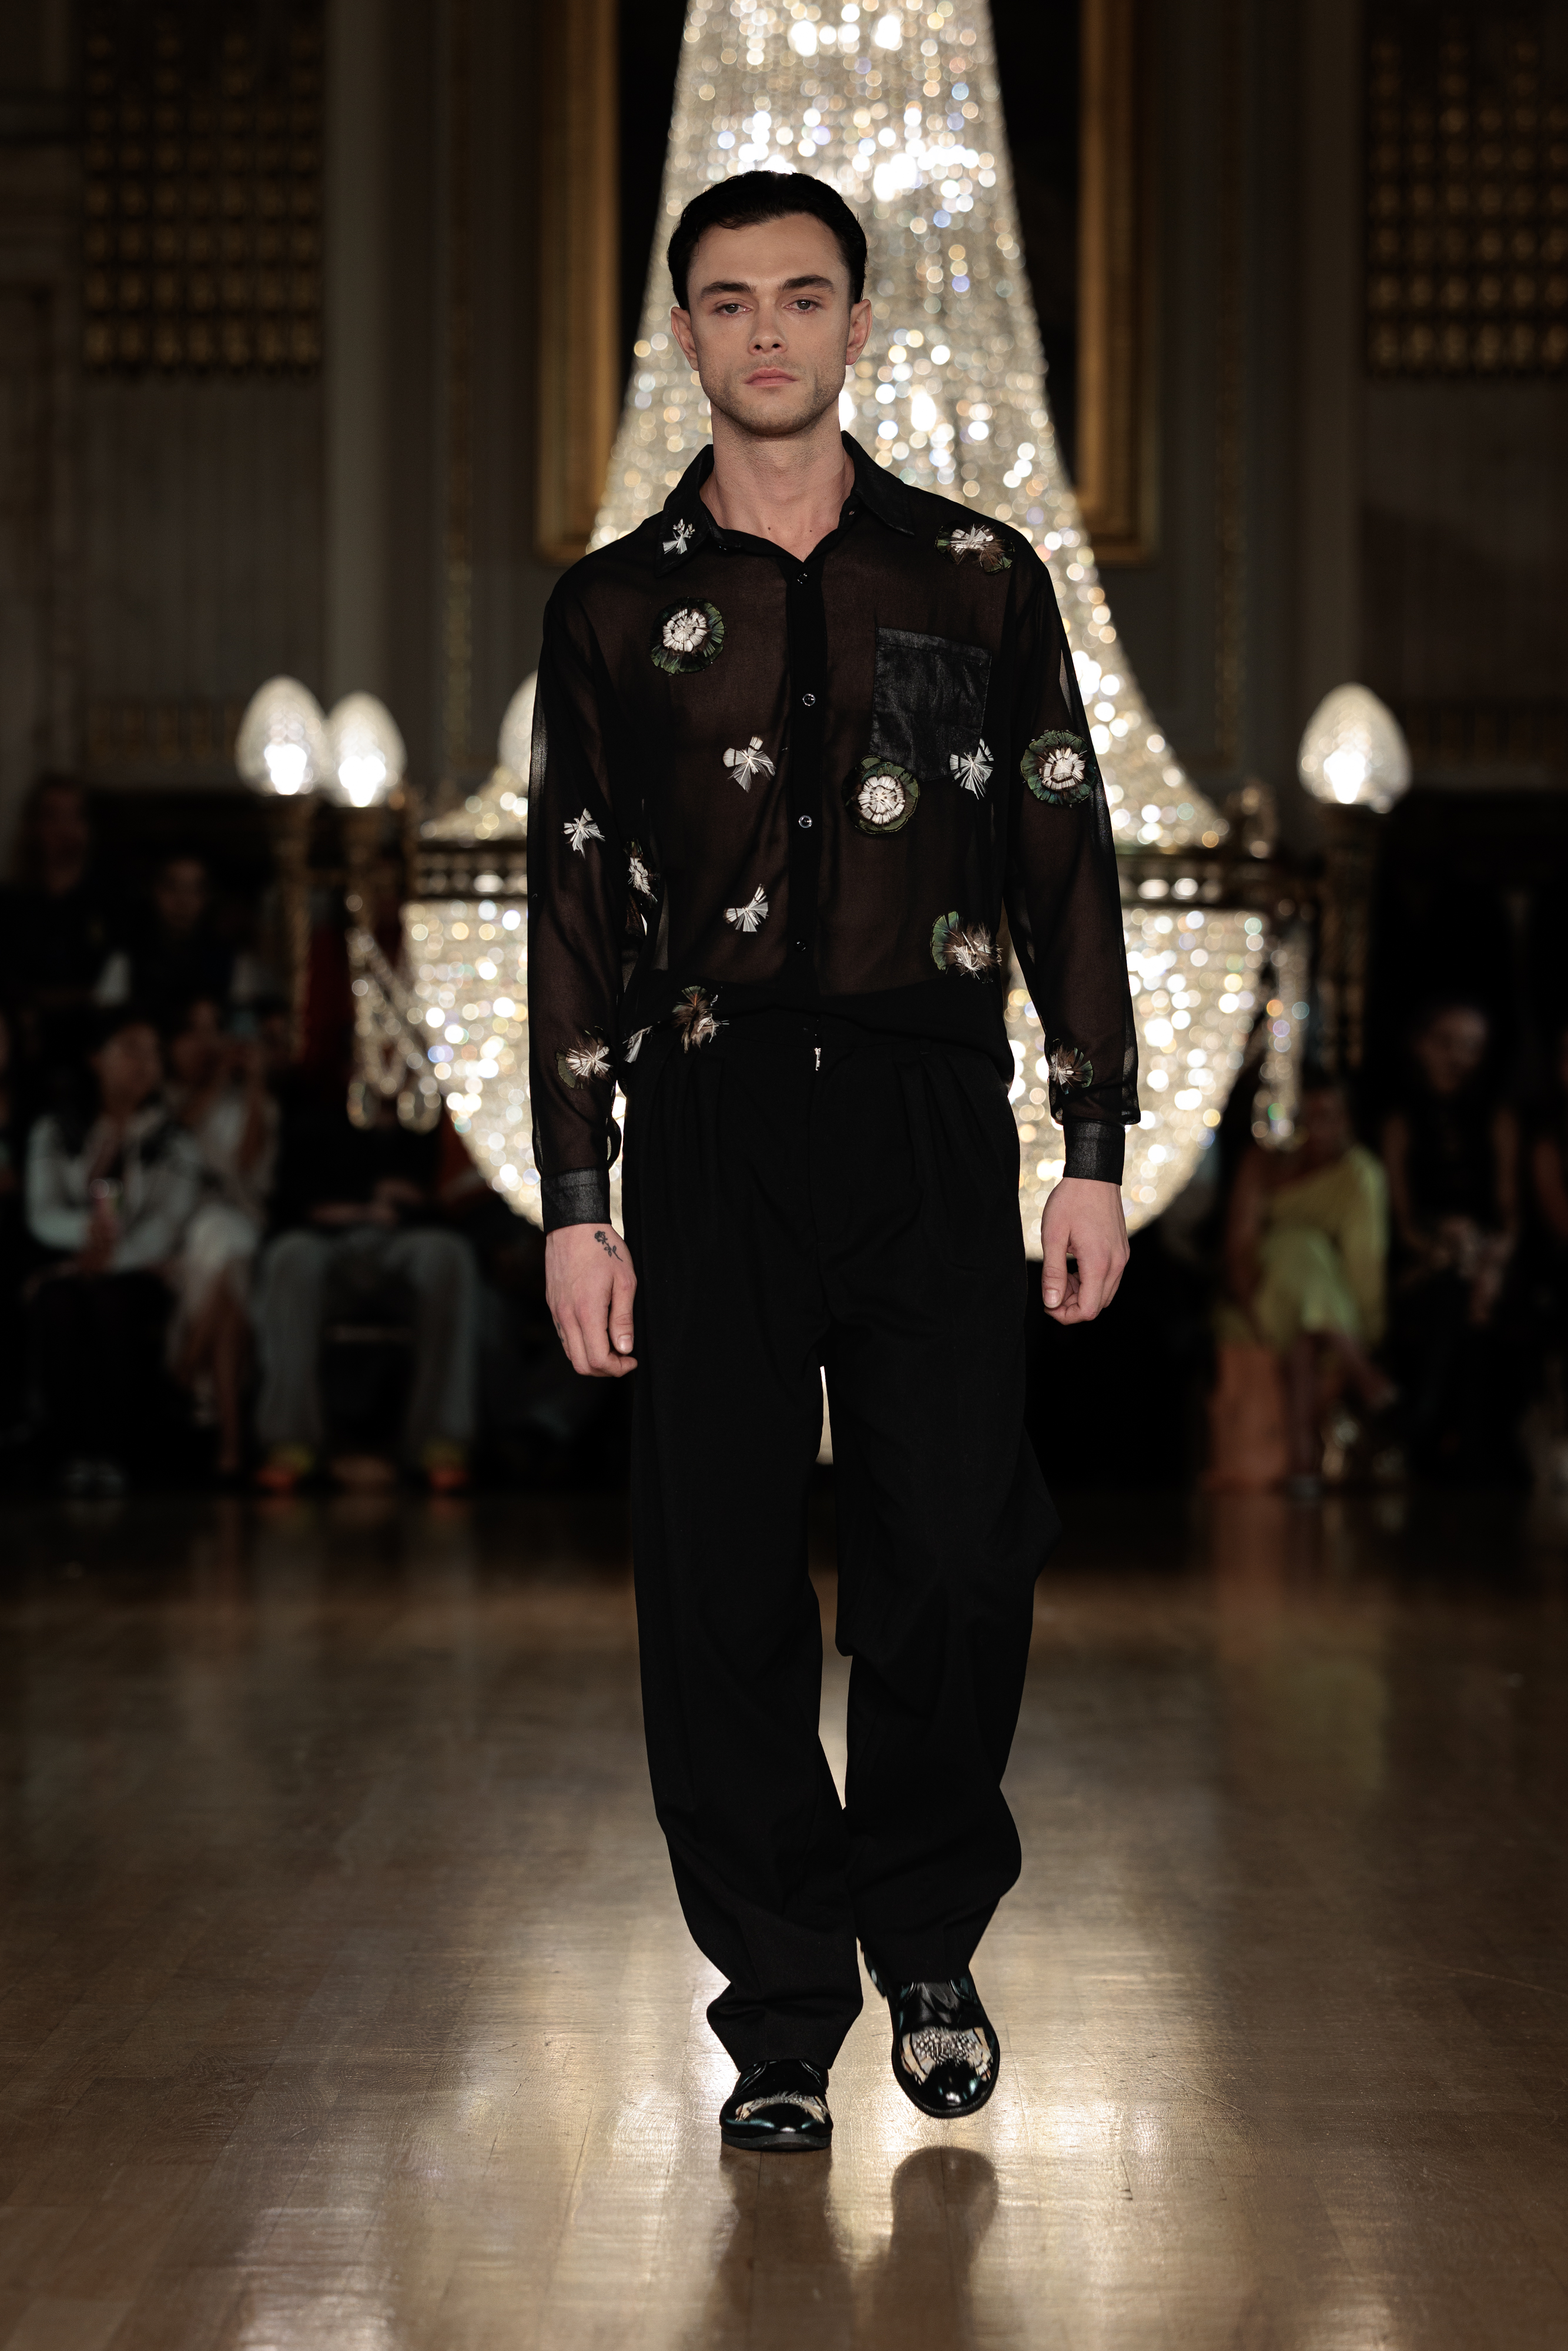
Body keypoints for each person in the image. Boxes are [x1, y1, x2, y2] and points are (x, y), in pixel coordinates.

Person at [528, 175, 1133, 2155]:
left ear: (859, 325)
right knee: (715, 1577)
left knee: (954, 1546)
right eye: (729, 301)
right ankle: (780, 2007)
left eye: (803, 296)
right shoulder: (612, 610)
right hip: (705, 1122)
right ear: (684, 336)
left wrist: (1092, 1144)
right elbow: (572, 910)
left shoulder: (975, 578)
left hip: (925, 1111)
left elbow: (1060, 858)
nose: (768, 331)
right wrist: (575, 1197)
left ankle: (926, 1934)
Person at [252, 1089, 478, 1494]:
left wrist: (413, 1200)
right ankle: (290, 1440)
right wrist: (362, 1206)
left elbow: (447, 1202)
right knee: (290, 1257)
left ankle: (440, 1439)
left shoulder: (432, 1120)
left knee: (449, 1255)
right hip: (328, 1247)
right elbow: (292, 1201)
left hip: (405, 1248)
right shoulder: (314, 1116)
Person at [24, 1007, 202, 1496]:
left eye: (153, 1053)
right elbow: (42, 1210)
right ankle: (68, 1450)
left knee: (113, 1302)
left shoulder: (172, 1139)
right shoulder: (58, 1129)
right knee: (58, 1303)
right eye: (130, 1050)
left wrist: (110, 1260)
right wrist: (86, 1235)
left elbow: (169, 1221)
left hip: (139, 1268)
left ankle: (115, 1451)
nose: (144, 1064)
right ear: (96, 1058)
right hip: (70, 1262)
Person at [1219, 1076, 1393, 1491]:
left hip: (1328, 1304)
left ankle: (1302, 1465)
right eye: (1310, 1116)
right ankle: (1362, 1371)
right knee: (1300, 1247)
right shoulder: (1262, 1164)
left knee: (1303, 1329)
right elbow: (1239, 1252)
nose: (1320, 1126)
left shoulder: (1358, 1173)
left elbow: (1365, 1264)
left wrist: (1362, 1321)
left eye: (1331, 1115)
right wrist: (1253, 1310)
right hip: (1264, 1294)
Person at [1381, 1000, 1520, 1479]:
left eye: (1471, 1047)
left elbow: (1509, 1210)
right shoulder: (1401, 1123)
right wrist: (1443, 1250)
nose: (1458, 1057)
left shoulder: (1497, 1119)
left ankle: (1434, 1433)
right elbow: (1403, 1223)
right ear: (1420, 1046)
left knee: (1475, 1297)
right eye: (1446, 1043)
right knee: (1453, 1294)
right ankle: (1455, 1443)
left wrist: (1491, 1257)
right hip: (1428, 1259)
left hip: (1489, 1255)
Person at [164, 997, 279, 1478]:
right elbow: (178, 1134)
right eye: (197, 1030)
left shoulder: (261, 1104)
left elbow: (248, 1163)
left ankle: (187, 1367)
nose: (210, 1042)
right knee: (228, 1270)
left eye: (216, 1030)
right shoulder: (171, 1098)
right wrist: (216, 1080)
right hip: (181, 1226)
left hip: (241, 1217)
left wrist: (253, 1083)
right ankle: (231, 1439)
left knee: (227, 1243)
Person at [96, 853, 235, 1024]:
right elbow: (104, 1017)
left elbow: (246, 1023)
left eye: (195, 890)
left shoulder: (231, 958)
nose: (183, 901)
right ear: (153, 890)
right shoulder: (126, 955)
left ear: (209, 896)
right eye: (172, 888)